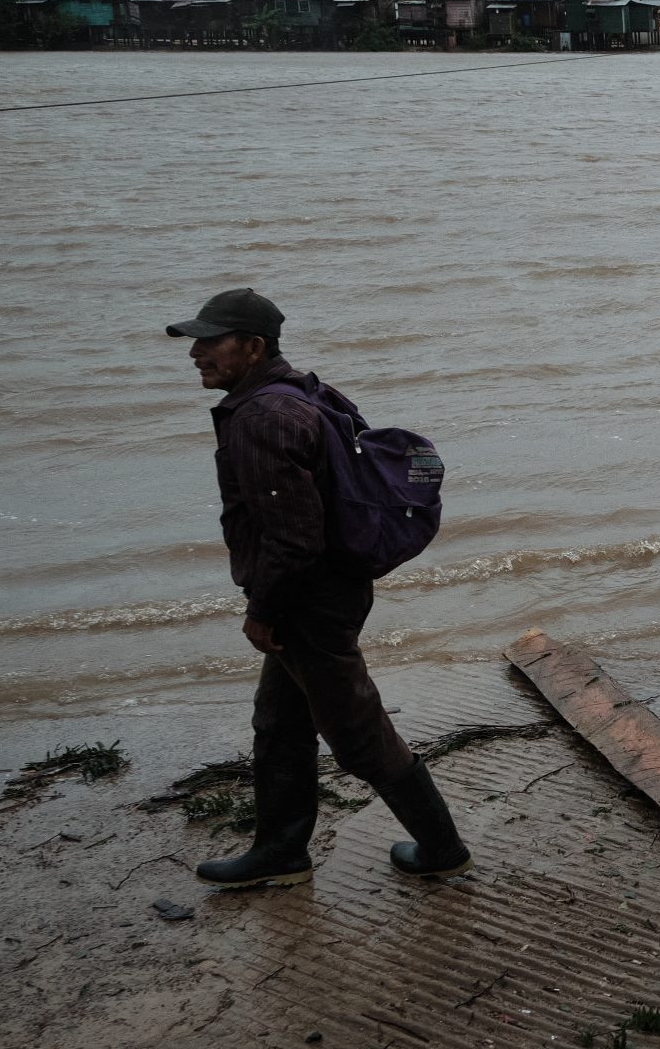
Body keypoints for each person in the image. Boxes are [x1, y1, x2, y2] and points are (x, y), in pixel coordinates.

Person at [165, 287, 470, 888]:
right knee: (279, 723)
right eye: (195, 340)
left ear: (252, 347)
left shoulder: (263, 417)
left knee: (358, 734)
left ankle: (442, 848)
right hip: (332, 586)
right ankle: (281, 852)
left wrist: (262, 611)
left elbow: (293, 538)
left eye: (210, 340)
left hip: (308, 600)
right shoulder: (305, 391)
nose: (196, 352)